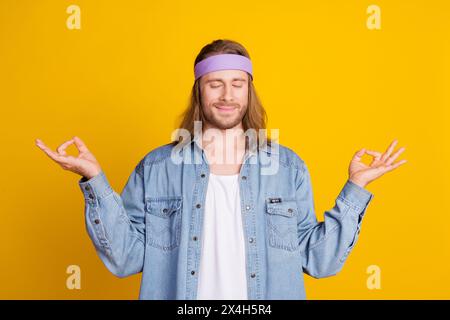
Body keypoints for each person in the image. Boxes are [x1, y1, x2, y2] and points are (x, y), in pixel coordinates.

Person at [35, 39, 407, 300]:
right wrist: (95, 181)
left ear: (249, 91)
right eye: (216, 84)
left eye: (237, 84)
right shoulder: (158, 166)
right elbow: (126, 258)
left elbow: (318, 261)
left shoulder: (287, 166)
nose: (227, 96)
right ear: (199, 91)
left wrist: (356, 187)